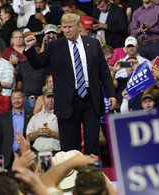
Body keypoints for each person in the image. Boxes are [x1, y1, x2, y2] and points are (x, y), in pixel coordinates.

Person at [24, 13, 116, 155]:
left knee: (92, 141)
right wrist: (30, 49)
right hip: (67, 100)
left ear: (79, 27)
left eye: (70, 27)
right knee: (69, 145)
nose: (66, 30)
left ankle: (91, 174)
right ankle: (72, 175)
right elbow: (38, 64)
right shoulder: (54, 46)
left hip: (91, 98)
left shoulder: (92, 43)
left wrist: (111, 94)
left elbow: (103, 71)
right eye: (64, 27)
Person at [0, 89, 32, 169]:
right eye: (14, 98)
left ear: (24, 99)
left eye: (19, 98)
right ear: (11, 100)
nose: (16, 101)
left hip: (24, 156)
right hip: (7, 158)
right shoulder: (2, 117)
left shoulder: (31, 117)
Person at [26, 88, 60, 153]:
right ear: (43, 98)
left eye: (53, 97)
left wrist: (51, 133)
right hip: (38, 152)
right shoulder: (35, 117)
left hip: (56, 153)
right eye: (48, 97)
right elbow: (28, 137)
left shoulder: (62, 116)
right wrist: (37, 133)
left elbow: (67, 136)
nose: (50, 100)